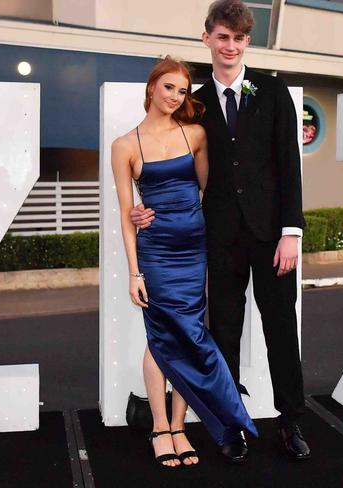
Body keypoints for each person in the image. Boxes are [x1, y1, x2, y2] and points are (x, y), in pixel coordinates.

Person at [131, 0, 311, 462]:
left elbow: (289, 166)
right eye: (222, 37)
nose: (230, 46)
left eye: (239, 38)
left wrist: (292, 231)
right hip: (218, 235)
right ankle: (232, 424)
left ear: (247, 41)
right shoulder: (193, 101)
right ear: (207, 38)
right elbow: (172, 160)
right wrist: (145, 207)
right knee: (223, 332)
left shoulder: (273, 92)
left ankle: (292, 421)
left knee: (281, 327)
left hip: (273, 237)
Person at [111, 55, 257, 469]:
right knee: (161, 337)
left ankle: (180, 427)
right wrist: (134, 271)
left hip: (194, 250)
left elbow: (207, 191)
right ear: (151, 88)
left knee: (190, 335)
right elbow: (127, 214)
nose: (176, 96)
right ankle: (160, 427)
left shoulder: (195, 134)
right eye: (169, 87)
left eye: (182, 90)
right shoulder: (124, 145)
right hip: (155, 253)